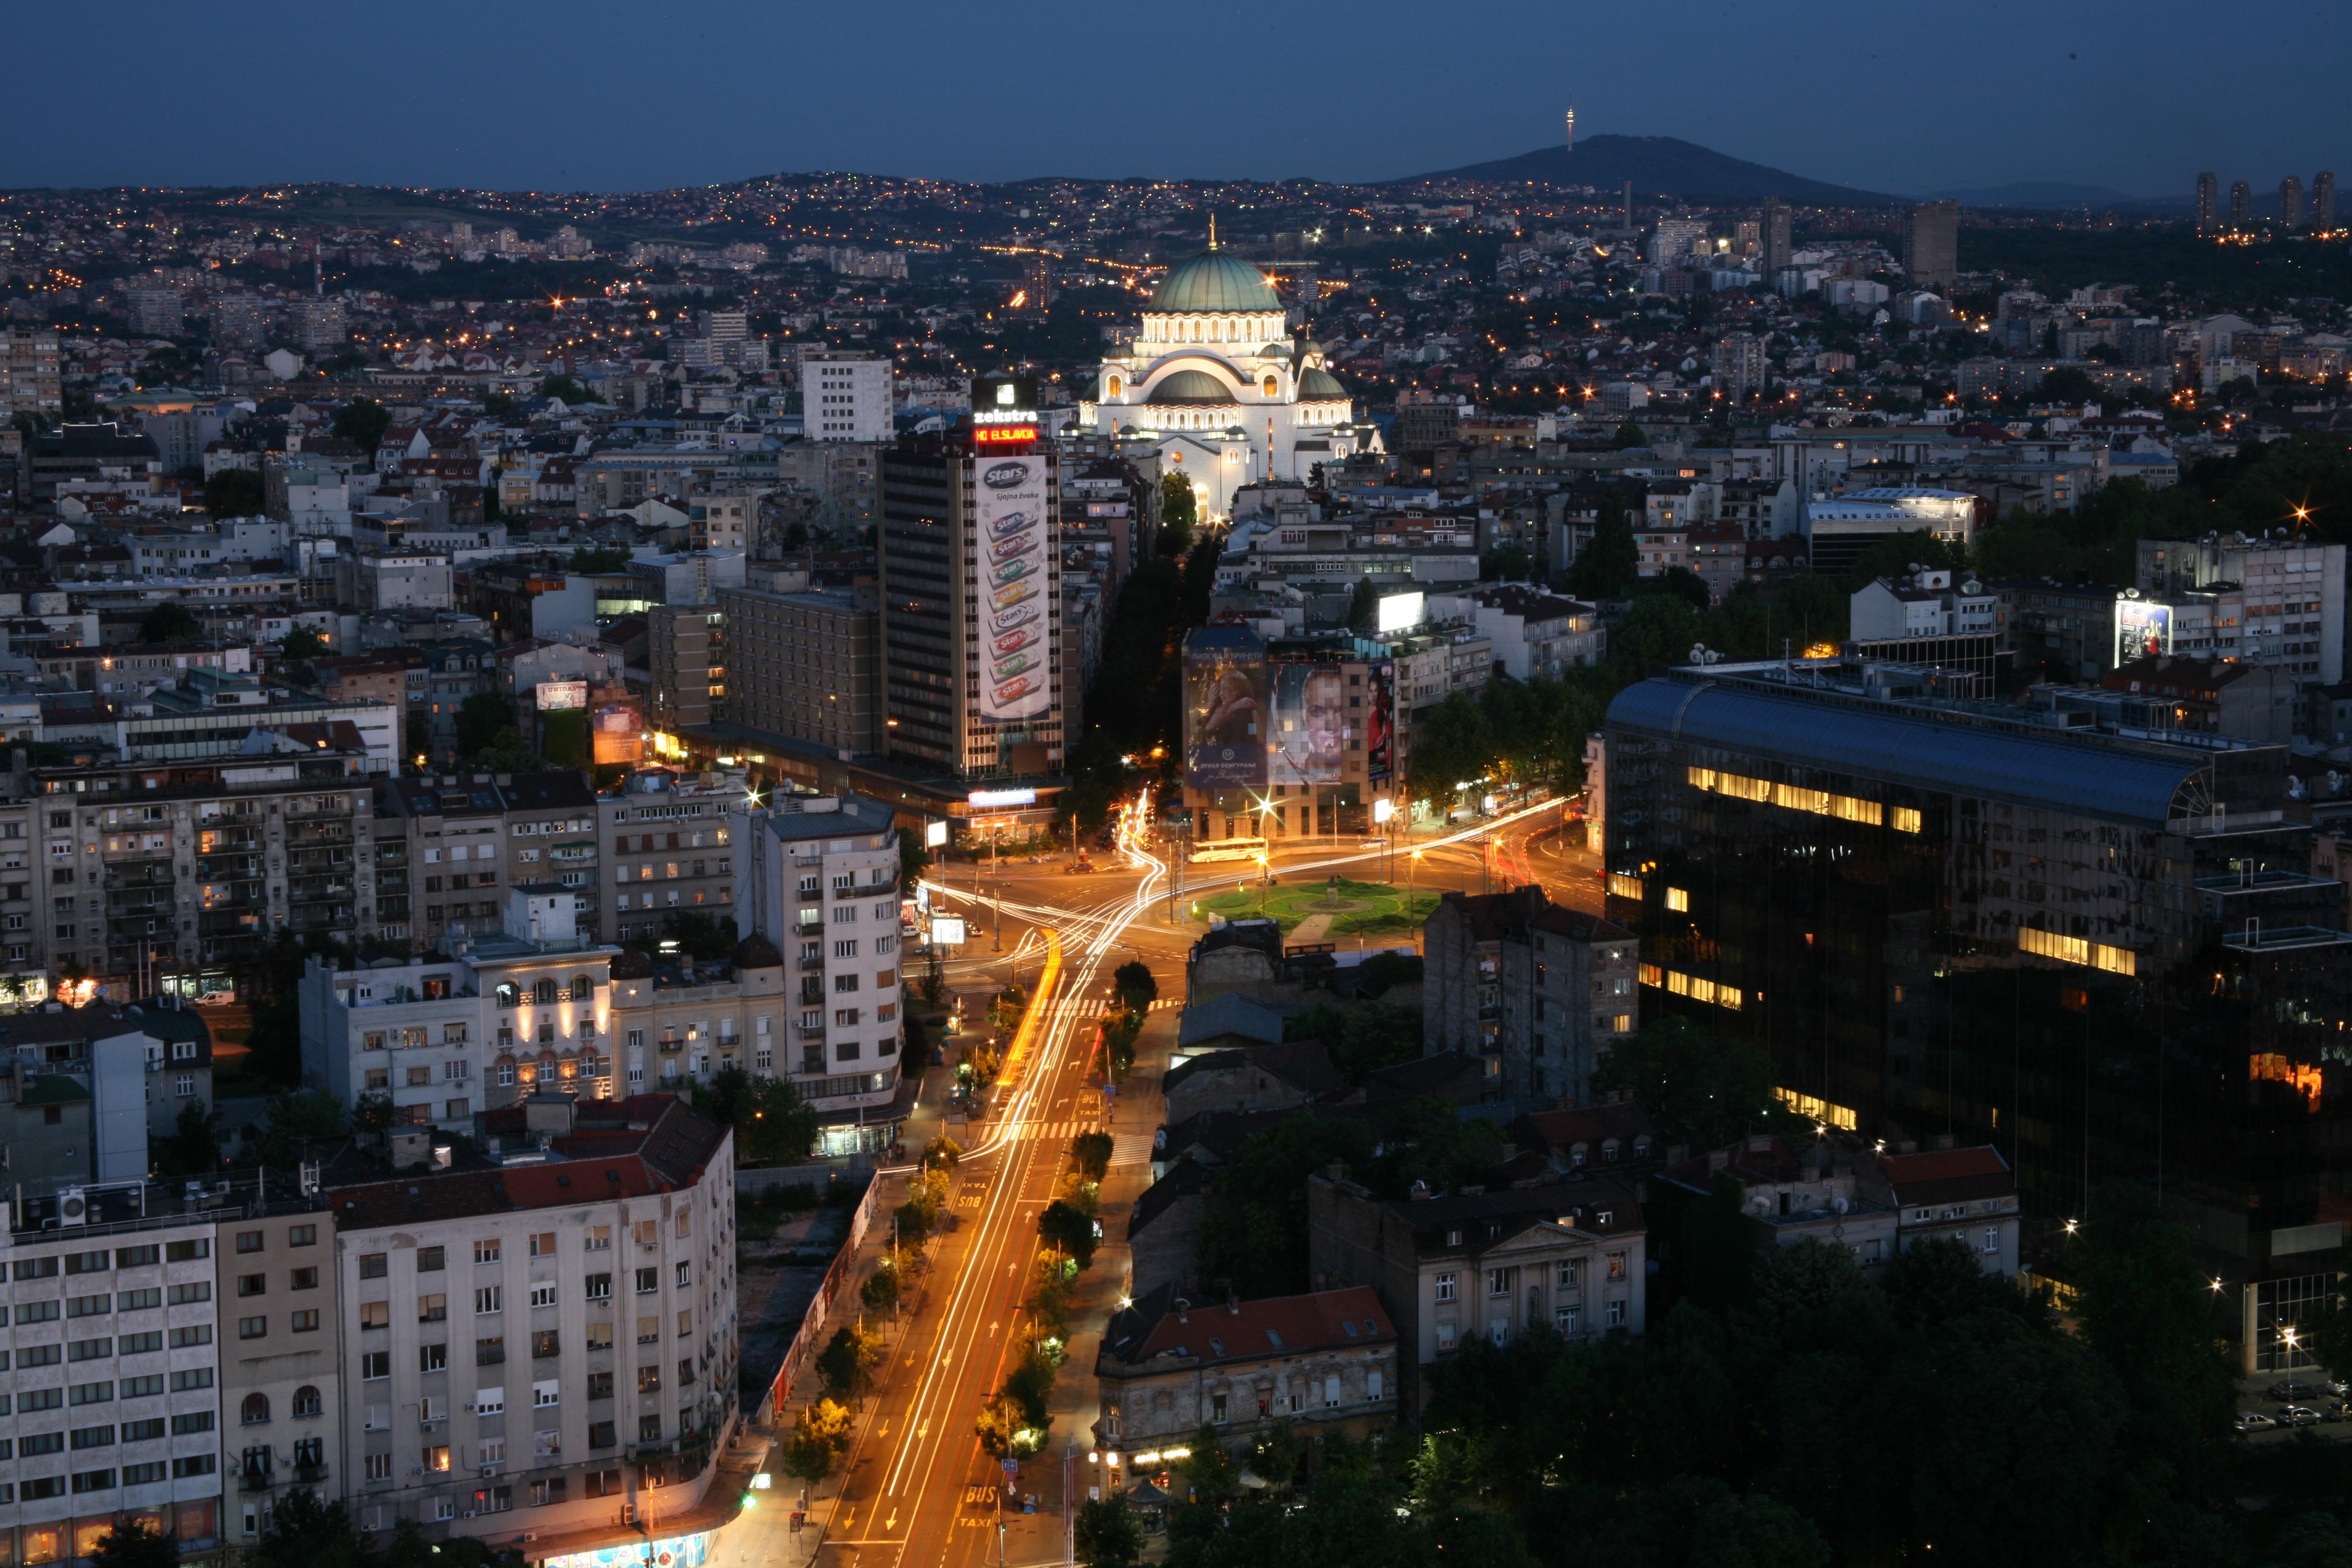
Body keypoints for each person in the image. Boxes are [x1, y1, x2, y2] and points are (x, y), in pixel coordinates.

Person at [1200, 666, 1258, 746]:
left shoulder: (1245, 714)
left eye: (1226, 688)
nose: (1221, 693)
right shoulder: (1223, 711)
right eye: (1220, 689)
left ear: (1239, 690)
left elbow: (1253, 738)